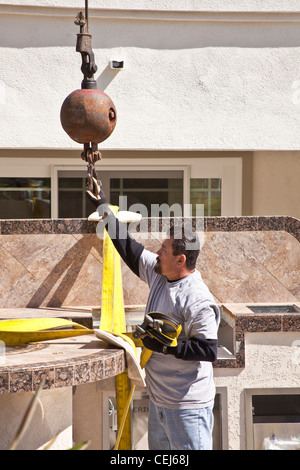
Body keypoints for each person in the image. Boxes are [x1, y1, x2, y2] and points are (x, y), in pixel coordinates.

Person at [87, 178, 220, 450]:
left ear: (180, 260)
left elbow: (208, 349)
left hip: (187, 408)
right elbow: (129, 248)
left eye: (164, 250)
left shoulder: (197, 298)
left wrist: (165, 346)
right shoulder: (160, 273)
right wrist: (103, 207)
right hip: (159, 401)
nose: (157, 253)